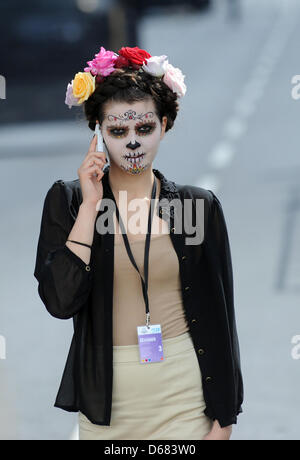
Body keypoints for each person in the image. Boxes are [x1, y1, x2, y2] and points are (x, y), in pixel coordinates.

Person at [34, 46, 243, 440]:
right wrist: (91, 205)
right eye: (118, 131)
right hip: (108, 403)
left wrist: (226, 415)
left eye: (144, 128)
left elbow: (221, 314)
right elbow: (60, 301)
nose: (132, 142)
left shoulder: (198, 206)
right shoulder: (69, 200)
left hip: (186, 394)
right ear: (98, 131)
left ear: (164, 125)